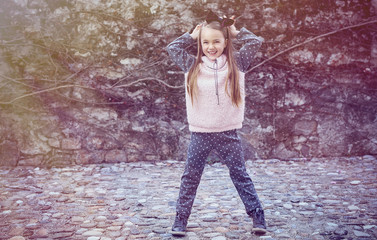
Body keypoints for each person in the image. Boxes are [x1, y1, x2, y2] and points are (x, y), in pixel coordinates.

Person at [166, 10, 266, 236]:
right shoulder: (192, 65)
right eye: (206, 42)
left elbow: (254, 42)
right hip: (200, 134)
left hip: (227, 133)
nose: (211, 46)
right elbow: (173, 48)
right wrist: (191, 36)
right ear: (200, 43)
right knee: (190, 177)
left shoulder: (237, 64)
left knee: (240, 174)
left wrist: (235, 30)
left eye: (216, 41)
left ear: (225, 42)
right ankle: (180, 220)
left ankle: (258, 216)